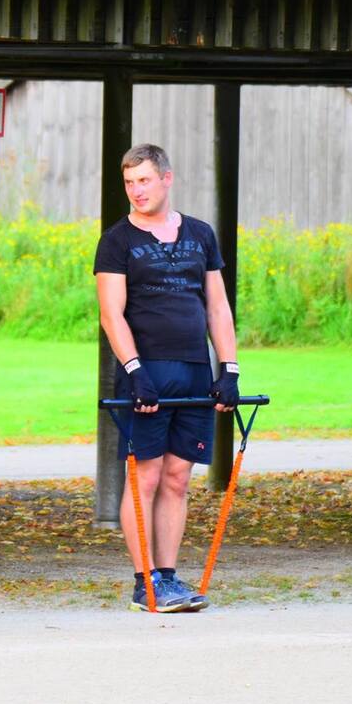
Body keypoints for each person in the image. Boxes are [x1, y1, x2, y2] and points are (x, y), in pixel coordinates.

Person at [93, 143, 241, 613]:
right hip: (147, 374)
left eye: (144, 181)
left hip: (195, 371)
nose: (136, 191)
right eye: (129, 183)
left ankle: (170, 577)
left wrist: (229, 370)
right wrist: (134, 370)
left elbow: (216, 306)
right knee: (146, 477)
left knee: (178, 478)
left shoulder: (200, 234)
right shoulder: (117, 240)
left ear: (166, 179)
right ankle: (145, 583)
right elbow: (111, 314)